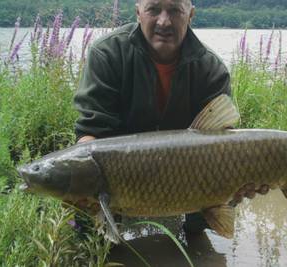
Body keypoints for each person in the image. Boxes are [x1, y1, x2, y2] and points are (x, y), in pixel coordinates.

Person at [73, 0, 268, 235]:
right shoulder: (107, 53)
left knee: (199, 230)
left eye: (175, 10)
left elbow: (222, 145)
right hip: (123, 170)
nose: (164, 21)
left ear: (190, 15)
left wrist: (241, 181)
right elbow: (91, 131)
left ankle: (197, 241)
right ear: (138, 13)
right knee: (87, 226)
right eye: (153, 9)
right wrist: (80, 179)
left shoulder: (211, 68)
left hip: (196, 173)